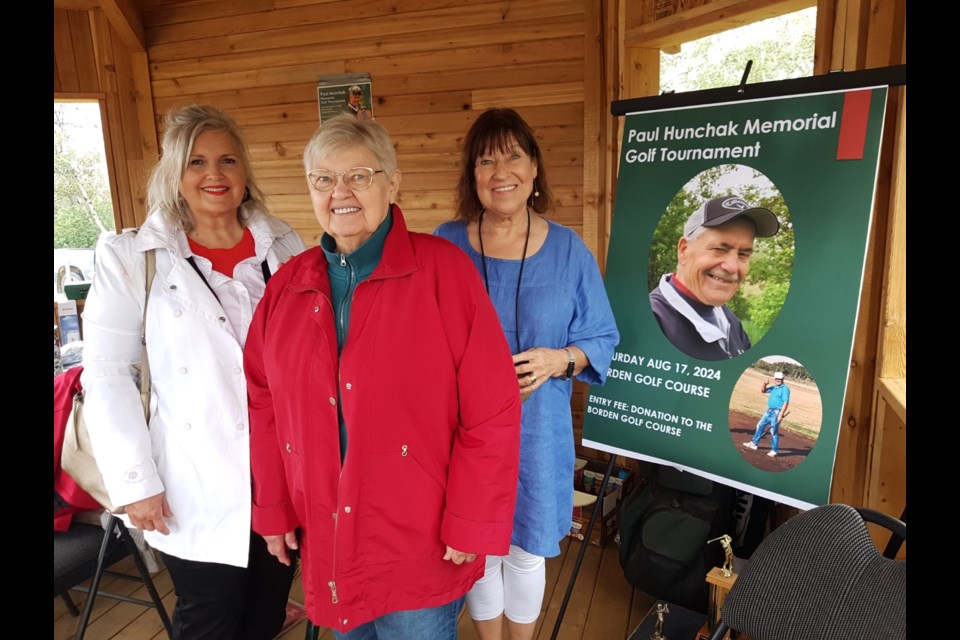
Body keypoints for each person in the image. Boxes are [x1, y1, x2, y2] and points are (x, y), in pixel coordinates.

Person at [244, 114, 522, 640]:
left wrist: (471, 517)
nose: (339, 192)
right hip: (327, 535)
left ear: (392, 183)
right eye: (323, 179)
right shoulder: (287, 287)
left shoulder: (444, 273)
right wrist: (274, 510)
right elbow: (265, 407)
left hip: (420, 540)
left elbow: (492, 408)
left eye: (358, 176)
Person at [81, 105, 307, 639]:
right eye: (197, 161)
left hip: (281, 474)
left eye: (228, 159)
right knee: (209, 618)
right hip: (194, 482)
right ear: (174, 174)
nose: (215, 173)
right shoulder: (133, 256)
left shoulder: (283, 247)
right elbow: (108, 374)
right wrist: (135, 481)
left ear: (245, 170)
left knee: (267, 614)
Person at [435, 108, 619, 640]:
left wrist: (559, 359)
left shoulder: (568, 250)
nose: (500, 171)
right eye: (486, 160)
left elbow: (601, 336)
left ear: (534, 168)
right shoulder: (445, 244)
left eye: (513, 156)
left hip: (537, 431)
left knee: (524, 551)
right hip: (460, 432)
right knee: (478, 548)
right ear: (472, 175)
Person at [649, 195, 779, 361]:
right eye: (719, 249)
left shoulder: (731, 323)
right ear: (683, 250)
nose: (732, 267)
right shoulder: (652, 322)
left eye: (743, 254)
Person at [744, 371, 791, 457]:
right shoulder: (774, 387)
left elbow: (786, 402)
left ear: (782, 379)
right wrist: (764, 384)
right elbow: (763, 391)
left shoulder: (785, 389)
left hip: (777, 412)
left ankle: (774, 450)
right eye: (776, 379)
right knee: (760, 426)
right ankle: (754, 444)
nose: (778, 380)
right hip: (769, 411)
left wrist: (781, 414)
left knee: (773, 431)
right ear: (774, 379)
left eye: (779, 379)